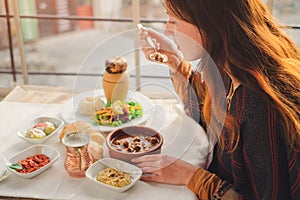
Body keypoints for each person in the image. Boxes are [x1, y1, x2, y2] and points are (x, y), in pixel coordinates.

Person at [132, 0, 300, 199]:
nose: (167, 30)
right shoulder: (230, 68)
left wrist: (192, 177)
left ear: (210, 24)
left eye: (174, 21)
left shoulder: (259, 106)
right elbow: (207, 109)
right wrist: (175, 61)